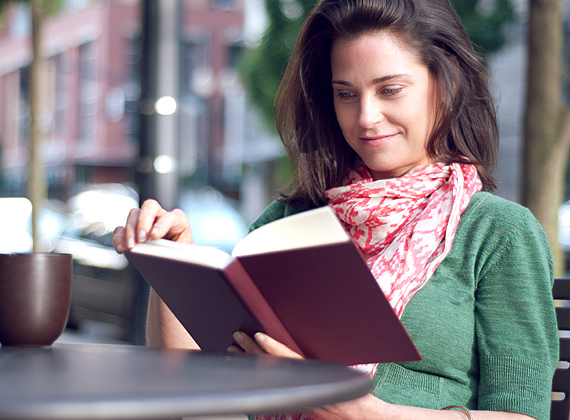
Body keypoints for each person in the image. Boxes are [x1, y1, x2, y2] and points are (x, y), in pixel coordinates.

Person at [114, 0, 559, 419]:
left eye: (390, 90)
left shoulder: (496, 231)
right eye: (346, 94)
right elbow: (184, 378)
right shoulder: (291, 220)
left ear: (446, 84)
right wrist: (171, 257)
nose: (365, 116)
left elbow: (523, 413)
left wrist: (369, 414)